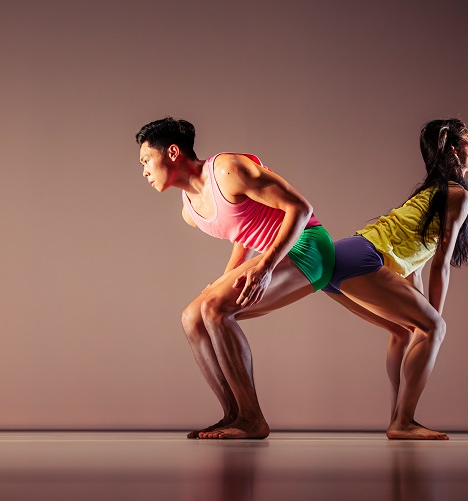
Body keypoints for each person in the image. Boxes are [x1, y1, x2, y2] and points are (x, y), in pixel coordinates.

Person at [136, 117, 335, 439]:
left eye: (146, 160)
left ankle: (253, 418)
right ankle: (233, 415)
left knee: (214, 308)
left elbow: (300, 208)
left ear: (172, 152)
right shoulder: (190, 211)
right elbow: (244, 230)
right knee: (192, 317)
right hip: (276, 255)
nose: (144, 170)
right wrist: (226, 278)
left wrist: (265, 267)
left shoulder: (227, 170)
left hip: (309, 247)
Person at [321, 118, 468, 440]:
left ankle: (397, 416)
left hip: (338, 262)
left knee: (402, 330)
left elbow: (413, 267)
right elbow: (441, 265)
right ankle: (403, 421)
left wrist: (423, 319)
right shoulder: (457, 195)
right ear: (455, 150)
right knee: (433, 327)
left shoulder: (430, 194)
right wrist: (433, 321)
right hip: (362, 258)